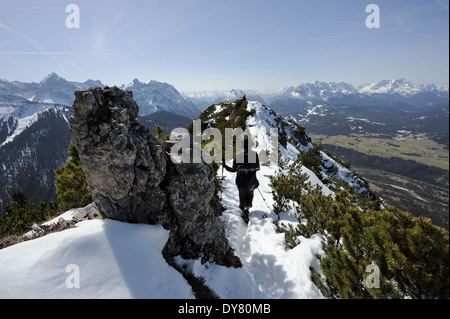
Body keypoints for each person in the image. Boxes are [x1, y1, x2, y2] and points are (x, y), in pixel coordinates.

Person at [222, 137, 260, 222]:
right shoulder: (254, 155)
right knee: (250, 195)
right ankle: (246, 210)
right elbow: (257, 167)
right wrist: (250, 169)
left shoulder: (238, 155)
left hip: (241, 181)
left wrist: (225, 166)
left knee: (242, 196)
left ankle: (243, 211)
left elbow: (233, 169)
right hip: (251, 180)